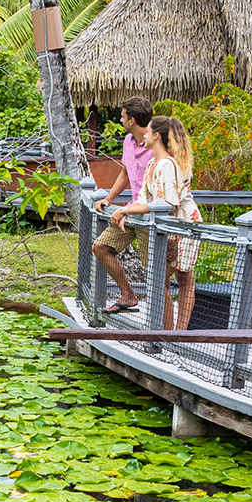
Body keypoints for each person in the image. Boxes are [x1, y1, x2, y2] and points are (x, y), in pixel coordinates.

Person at [108, 115, 201, 329]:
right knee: (162, 280)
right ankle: (169, 333)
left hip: (183, 223)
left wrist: (125, 209)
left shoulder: (167, 164)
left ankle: (177, 334)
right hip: (167, 227)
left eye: (148, 132)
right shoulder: (152, 163)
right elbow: (144, 198)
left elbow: (167, 202)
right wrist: (127, 210)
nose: (145, 135)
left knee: (183, 278)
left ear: (156, 135)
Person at [86, 96, 154, 315]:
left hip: (150, 214)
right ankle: (128, 295)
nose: (120, 119)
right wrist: (108, 198)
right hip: (131, 211)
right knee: (100, 247)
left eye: (123, 116)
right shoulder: (128, 141)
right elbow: (125, 172)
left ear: (132, 120)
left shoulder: (157, 144)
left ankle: (162, 329)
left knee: (155, 271)